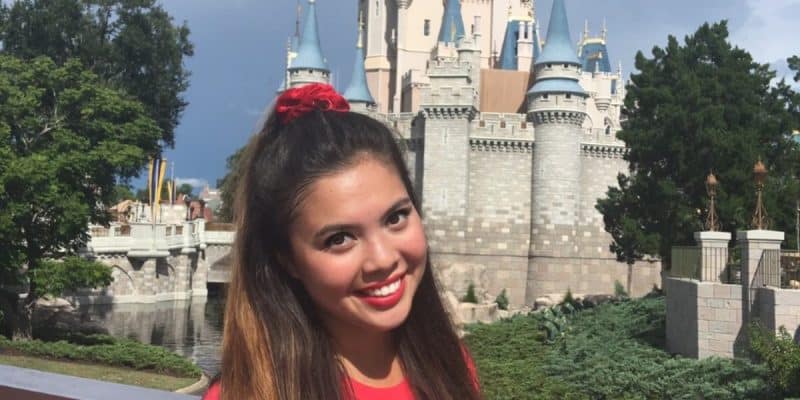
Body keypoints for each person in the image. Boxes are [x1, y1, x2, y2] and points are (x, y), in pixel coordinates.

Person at [203, 83, 482, 400]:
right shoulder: (246, 394)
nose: (382, 259)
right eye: (339, 239)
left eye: (395, 218)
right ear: (288, 259)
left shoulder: (450, 364)